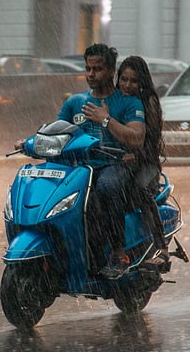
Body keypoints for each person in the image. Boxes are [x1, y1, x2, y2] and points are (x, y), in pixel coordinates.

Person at [55, 43, 147, 275]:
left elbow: (136, 138)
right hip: (80, 169)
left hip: (115, 166)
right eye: (87, 69)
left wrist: (105, 119)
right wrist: (28, 141)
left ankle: (119, 253)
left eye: (97, 69)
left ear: (111, 71)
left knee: (106, 186)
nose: (91, 75)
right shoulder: (75, 103)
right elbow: (55, 130)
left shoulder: (128, 102)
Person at [115, 55, 168, 270]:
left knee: (138, 191)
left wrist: (136, 155)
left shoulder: (149, 103)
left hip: (146, 164)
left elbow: (152, 141)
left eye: (133, 81)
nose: (127, 85)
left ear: (142, 82)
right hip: (118, 163)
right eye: (124, 79)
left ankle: (161, 247)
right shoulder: (114, 100)